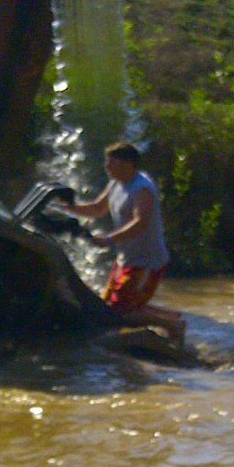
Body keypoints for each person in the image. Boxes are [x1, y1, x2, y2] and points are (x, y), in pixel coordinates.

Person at [58, 142, 186, 344]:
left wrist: (109, 239)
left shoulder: (142, 188)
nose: (106, 167)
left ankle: (173, 325)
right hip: (126, 259)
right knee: (108, 307)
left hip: (147, 262)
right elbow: (97, 209)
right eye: (106, 162)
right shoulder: (116, 183)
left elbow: (140, 224)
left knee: (119, 314)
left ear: (128, 164)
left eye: (111, 163)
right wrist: (68, 209)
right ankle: (172, 317)